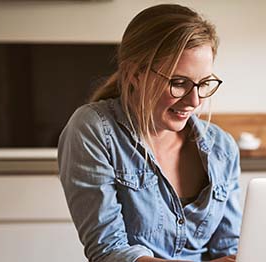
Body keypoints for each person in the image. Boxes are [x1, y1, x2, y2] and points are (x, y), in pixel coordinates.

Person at [58, 4, 241, 262]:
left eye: (204, 84)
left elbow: (228, 248)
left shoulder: (222, 146)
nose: (195, 101)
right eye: (179, 83)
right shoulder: (94, 129)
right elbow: (109, 251)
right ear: (135, 74)